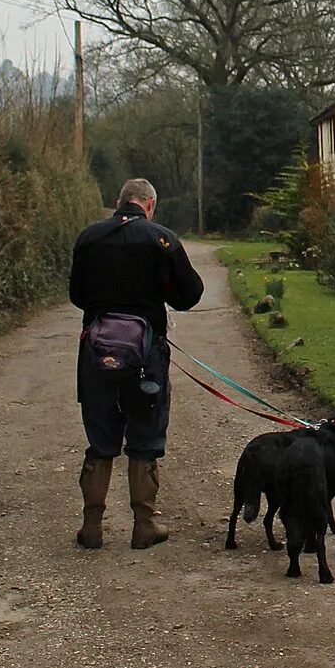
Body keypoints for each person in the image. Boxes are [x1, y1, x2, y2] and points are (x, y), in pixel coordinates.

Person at [67, 178, 204, 549]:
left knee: (100, 437)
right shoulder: (161, 239)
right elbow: (190, 294)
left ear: (119, 202)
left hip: (96, 352)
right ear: (150, 205)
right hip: (146, 353)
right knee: (144, 436)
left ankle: (92, 526)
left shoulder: (90, 237)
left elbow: (76, 294)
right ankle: (144, 526)